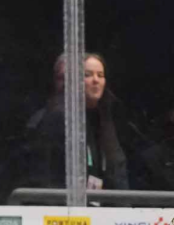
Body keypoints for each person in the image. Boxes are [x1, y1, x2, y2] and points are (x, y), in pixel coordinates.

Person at [22, 52, 129, 191]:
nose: (96, 80)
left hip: (100, 206)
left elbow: (116, 168)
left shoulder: (104, 117)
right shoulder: (59, 117)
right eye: (87, 75)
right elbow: (47, 175)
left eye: (101, 75)